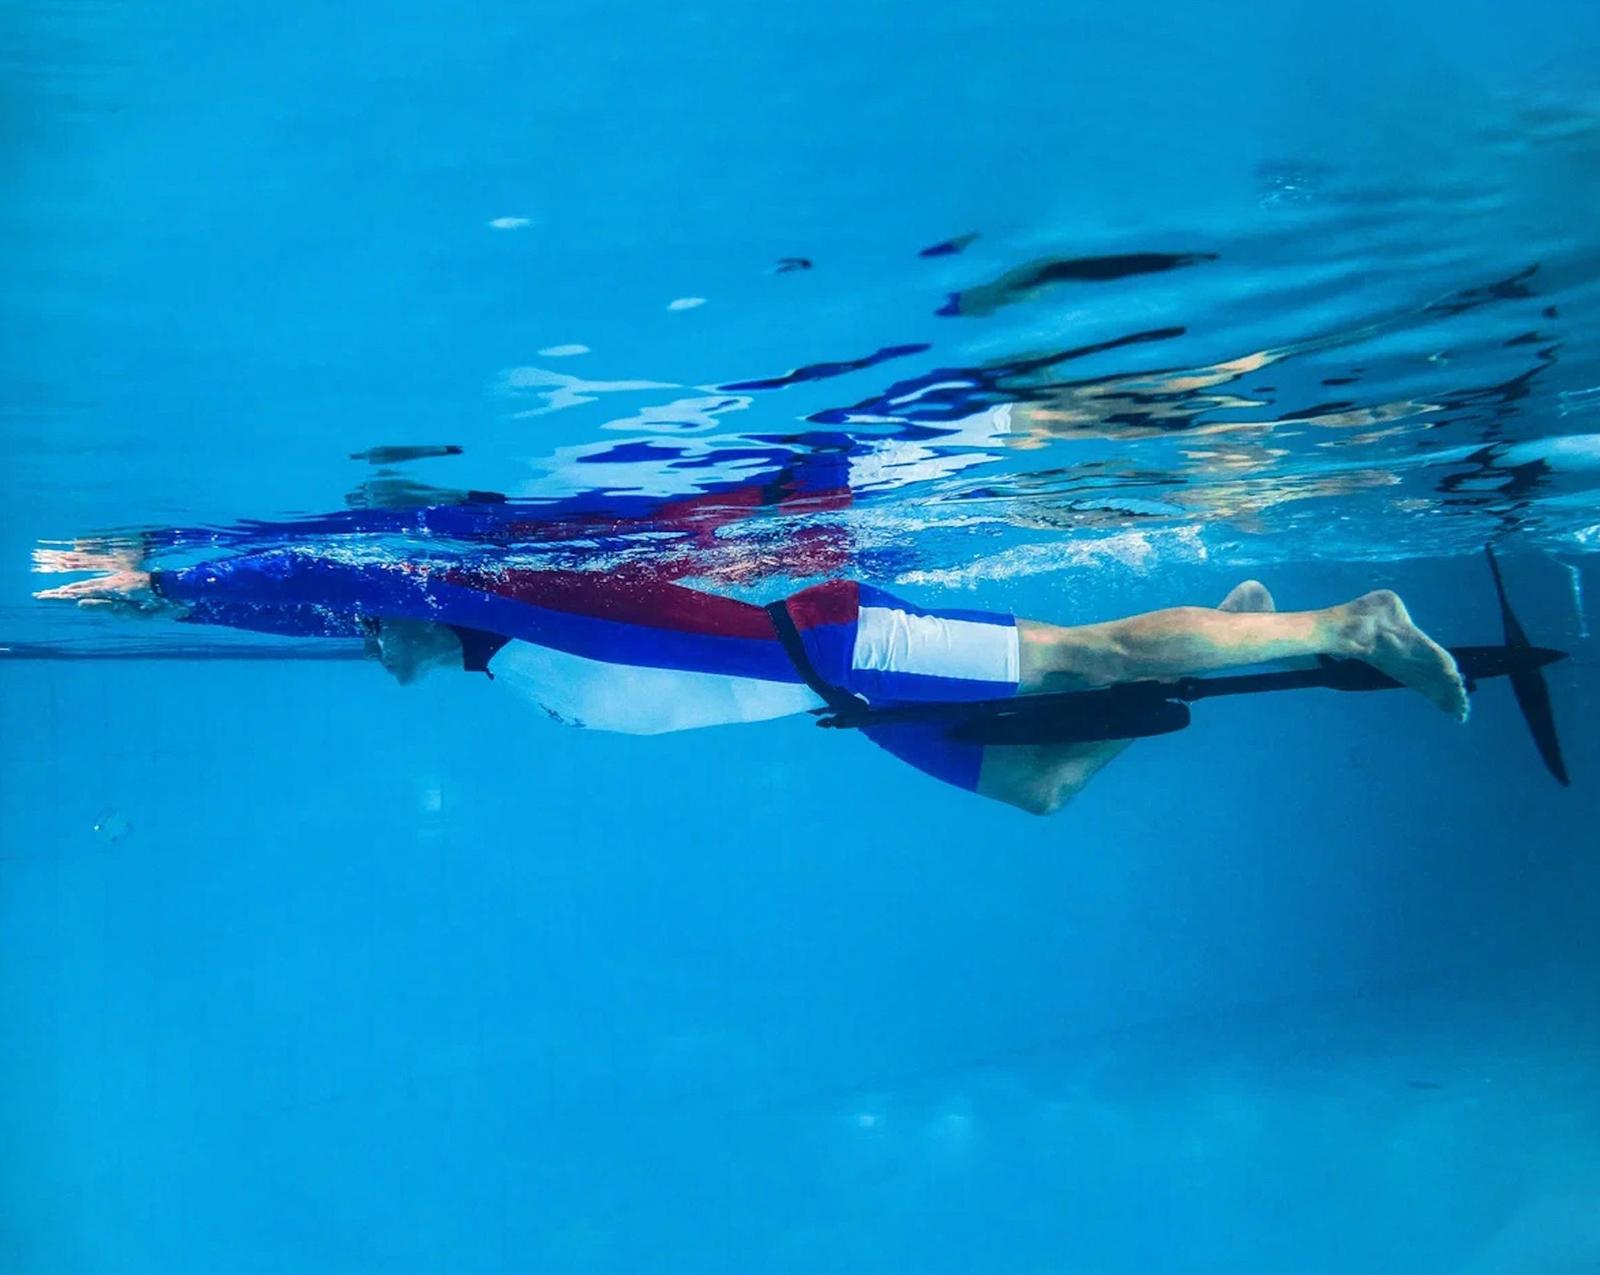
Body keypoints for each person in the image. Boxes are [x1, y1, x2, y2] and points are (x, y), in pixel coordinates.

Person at [34, 543, 1467, 815]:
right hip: (835, 698)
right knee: (1036, 786)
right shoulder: (518, 672)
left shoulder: (500, 613)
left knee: (1084, 656)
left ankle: (1352, 622)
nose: (365, 652)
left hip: (837, 642)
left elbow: (347, 585)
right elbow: (337, 616)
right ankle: (1231, 630)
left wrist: (170, 579)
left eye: (368, 634)